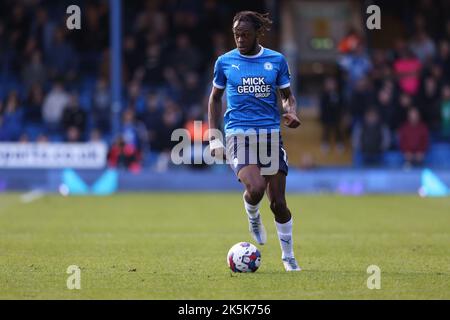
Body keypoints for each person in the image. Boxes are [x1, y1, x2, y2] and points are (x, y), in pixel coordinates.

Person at [208, 11, 301, 271]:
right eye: (236, 34)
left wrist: (290, 110)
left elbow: (287, 96)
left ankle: (288, 255)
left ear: (257, 34)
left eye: (245, 34)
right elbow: (215, 98)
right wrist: (214, 137)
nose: (239, 39)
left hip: (270, 135)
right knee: (256, 187)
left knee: (278, 204)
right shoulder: (225, 62)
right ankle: (252, 215)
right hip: (238, 134)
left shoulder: (276, 60)